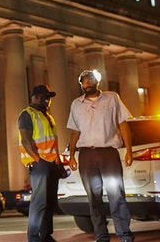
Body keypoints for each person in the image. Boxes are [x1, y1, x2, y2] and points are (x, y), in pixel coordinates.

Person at [67, 70, 134, 242]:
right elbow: (75, 131)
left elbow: (123, 124)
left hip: (108, 154)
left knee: (116, 193)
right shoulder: (76, 104)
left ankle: (124, 234)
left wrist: (129, 150)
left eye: (90, 79)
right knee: (93, 197)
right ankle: (101, 235)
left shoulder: (112, 98)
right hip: (86, 156)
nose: (87, 83)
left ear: (97, 81)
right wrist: (72, 154)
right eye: (83, 81)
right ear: (81, 84)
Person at [18, 84, 61, 242]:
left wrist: (58, 163)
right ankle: (34, 237)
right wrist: (39, 161)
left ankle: (46, 235)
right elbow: (26, 140)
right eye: (45, 97)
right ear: (35, 97)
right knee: (39, 202)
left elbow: (53, 143)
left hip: (52, 164)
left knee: (50, 202)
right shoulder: (27, 114)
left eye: (49, 97)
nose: (48, 100)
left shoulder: (48, 116)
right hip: (39, 165)